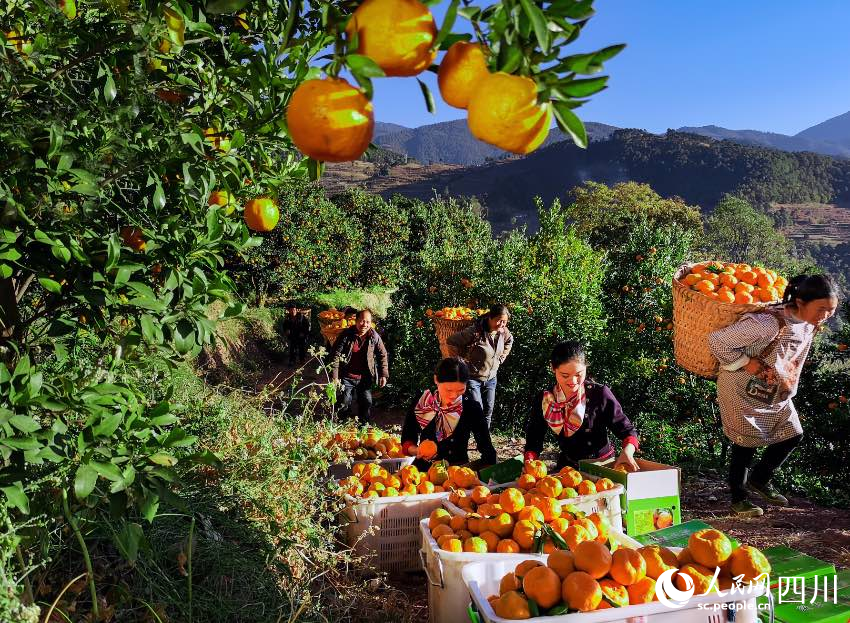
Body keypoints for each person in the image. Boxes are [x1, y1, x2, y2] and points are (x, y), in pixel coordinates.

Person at [709, 273, 839, 517]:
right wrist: (747, 362)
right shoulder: (767, 324)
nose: (825, 316)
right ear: (800, 302)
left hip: (774, 392)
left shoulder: (810, 324)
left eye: (831, 311)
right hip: (740, 389)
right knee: (744, 443)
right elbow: (717, 341)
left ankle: (759, 479)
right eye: (821, 309)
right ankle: (739, 498)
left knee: (792, 434)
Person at [524, 341, 640, 471]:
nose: (573, 381)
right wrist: (530, 459)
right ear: (553, 368)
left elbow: (627, 431)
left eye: (579, 374)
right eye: (565, 375)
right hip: (567, 468)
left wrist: (627, 452)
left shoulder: (599, 394)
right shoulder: (546, 399)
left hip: (602, 467)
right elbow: (535, 436)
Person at [402, 357, 497, 470]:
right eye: (448, 390)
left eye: (460, 390)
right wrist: (418, 450)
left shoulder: (471, 407)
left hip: (456, 473)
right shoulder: (423, 402)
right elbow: (407, 439)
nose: (453, 396)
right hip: (423, 474)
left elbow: (487, 450)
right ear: (436, 379)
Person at [445, 304, 514, 428]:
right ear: (490, 318)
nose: (502, 324)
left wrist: (503, 356)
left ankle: (484, 441)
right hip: (473, 378)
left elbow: (510, 341)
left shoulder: (503, 332)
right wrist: (459, 362)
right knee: (478, 410)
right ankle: (466, 433)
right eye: (499, 320)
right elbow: (451, 341)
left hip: (491, 378)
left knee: (488, 410)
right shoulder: (475, 331)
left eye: (504, 322)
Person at [329, 309, 389, 424]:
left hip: (364, 377)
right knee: (344, 402)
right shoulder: (346, 335)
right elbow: (335, 355)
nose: (365, 325)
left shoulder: (374, 337)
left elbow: (383, 354)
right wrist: (335, 376)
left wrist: (383, 375)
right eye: (362, 321)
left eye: (368, 322)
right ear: (356, 321)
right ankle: (341, 426)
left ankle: (363, 428)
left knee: (366, 402)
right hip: (346, 376)